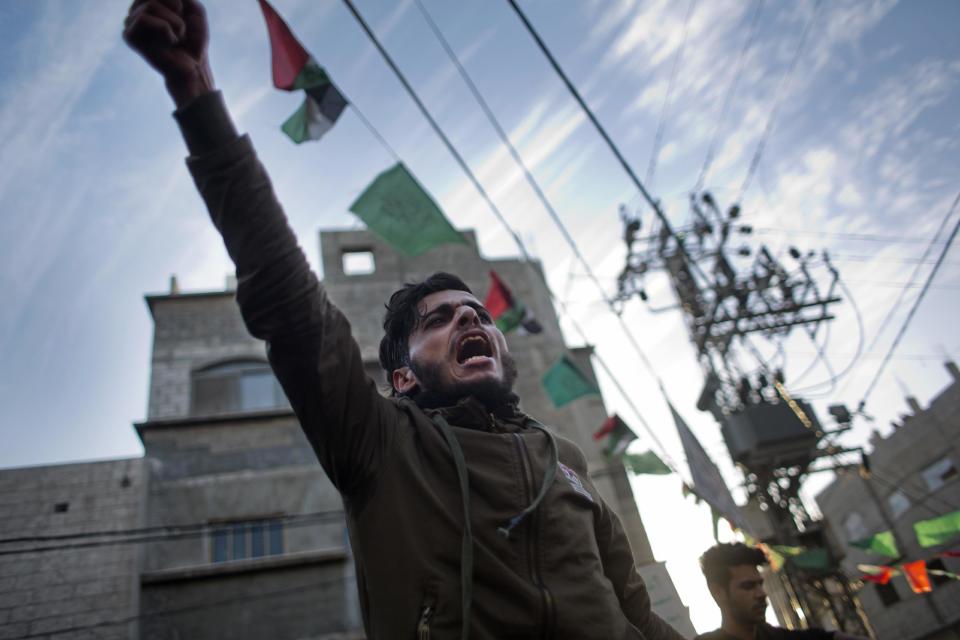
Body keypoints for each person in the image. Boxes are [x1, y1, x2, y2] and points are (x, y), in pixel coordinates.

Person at [122, 1, 686, 638]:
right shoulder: (380, 445)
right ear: (403, 378)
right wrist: (196, 93)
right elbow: (289, 302)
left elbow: (636, 609)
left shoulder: (568, 459)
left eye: (477, 313)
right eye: (438, 320)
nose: (469, 319)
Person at [696, 543, 868, 640]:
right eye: (748, 586)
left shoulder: (776, 637)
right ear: (718, 592)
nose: (761, 593)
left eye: (760, 584)